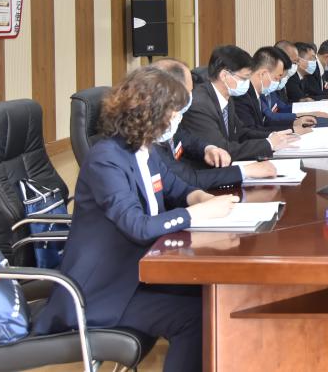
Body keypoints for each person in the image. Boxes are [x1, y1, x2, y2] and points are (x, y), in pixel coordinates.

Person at [34, 67, 240, 372]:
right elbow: (138, 226)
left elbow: (178, 189)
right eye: (173, 113)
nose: (177, 121)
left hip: (138, 272)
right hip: (103, 291)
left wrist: (203, 199)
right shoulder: (106, 159)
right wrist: (197, 213)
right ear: (150, 112)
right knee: (195, 317)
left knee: (213, 292)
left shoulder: (145, 150)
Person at [151, 59, 276, 187]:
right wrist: (244, 171)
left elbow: (185, 138)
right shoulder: (149, 136)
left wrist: (207, 148)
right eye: (188, 92)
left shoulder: (170, 121)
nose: (191, 97)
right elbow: (188, 179)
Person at [182, 45, 298, 161]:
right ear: (224, 76)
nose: (248, 83)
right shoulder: (200, 104)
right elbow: (222, 149)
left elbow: (242, 133)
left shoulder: (226, 96)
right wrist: (268, 144)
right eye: (244, 78)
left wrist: (272, 137)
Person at [233, 46, 317, 135]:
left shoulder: (258, 92)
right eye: (276, 78)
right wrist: (292, 130)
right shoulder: (242, 96)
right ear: (263, 74)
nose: (278, 82)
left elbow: (266, 122)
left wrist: (294, 123)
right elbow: (249, 132)